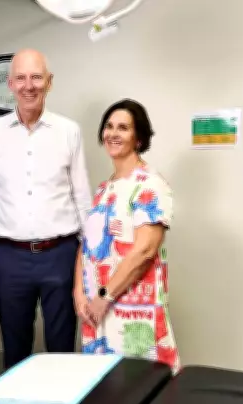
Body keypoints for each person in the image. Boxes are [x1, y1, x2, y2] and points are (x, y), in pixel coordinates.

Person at [0, 49, 91, 404]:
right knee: (15, 349)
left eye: (36, 77)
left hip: (61, 253)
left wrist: (90, 260)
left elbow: (82, 197)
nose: (29, 86)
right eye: (21, 78)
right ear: (10, 84)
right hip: (10, 256)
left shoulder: (69, 131)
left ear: (49, 82)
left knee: (61, 350)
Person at [75, 99, 180, 371]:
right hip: (97, 310)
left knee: (138, 385)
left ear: (138, 138)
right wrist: (79, 293)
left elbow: (144, 251)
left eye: (123, 128)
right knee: (102, 385)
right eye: (109, 126)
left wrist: (104, 297)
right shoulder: (104, 189)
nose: (113, 133)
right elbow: (87, 245)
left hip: (132, 311)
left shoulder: (150, 184)